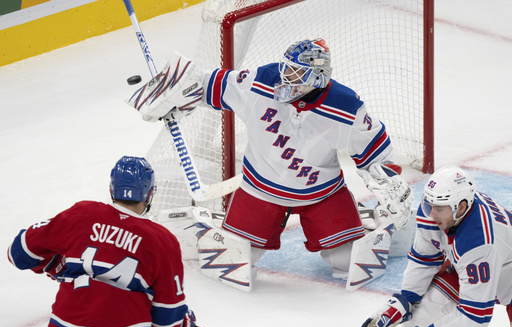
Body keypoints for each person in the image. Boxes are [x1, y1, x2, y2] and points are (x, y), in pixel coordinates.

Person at [131, 38, 412, 278]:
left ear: (317, 77)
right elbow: (209, 84)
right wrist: (171, 92)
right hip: (261, 190)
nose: (285, 76)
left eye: (295, 72)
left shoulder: (347, 107)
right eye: (286, 68)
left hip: (321, 194)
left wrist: (386, 185)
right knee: (234, 262)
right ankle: (209, 221)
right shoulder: (262, 81)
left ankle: (369, 222)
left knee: (349, 263)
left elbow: (375, 156)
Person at [7, 156, 196, 327]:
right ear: (149, 195)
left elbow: (18, 253)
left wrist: (55, 265)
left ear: (111, 190)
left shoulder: (82, 214)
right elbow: (166, 325)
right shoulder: (162, 241)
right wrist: (185, 325)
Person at [360, 165, 512, 327]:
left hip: (506, 274)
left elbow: (474, 320)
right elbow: (425, 259)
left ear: (461, 207)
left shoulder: (478, 241)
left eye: (439, 208)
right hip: (475, 268)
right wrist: (404, 300)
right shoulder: (435, 208)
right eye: (430, 205)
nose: (431, 213)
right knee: (420, 315)